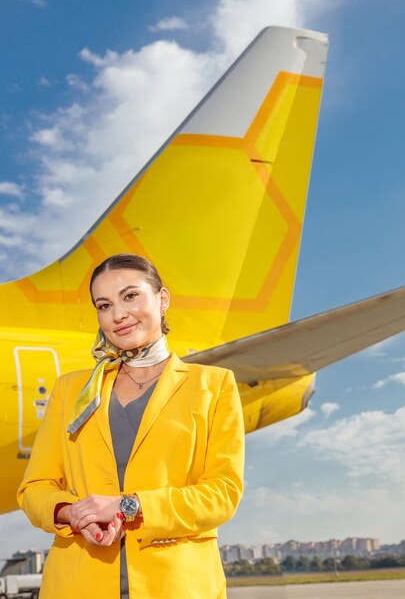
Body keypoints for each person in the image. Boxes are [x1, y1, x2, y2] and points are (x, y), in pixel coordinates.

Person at [17, 254, 245, 599]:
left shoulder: (213, 385)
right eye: (103, 305)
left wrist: (129, 506)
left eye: (130, 296)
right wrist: (72, 512)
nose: (118, 314)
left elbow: (223, 493)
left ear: (162, 299)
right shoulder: (70, 389)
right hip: (77, 585)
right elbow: (34, 488)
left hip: (177, 586)